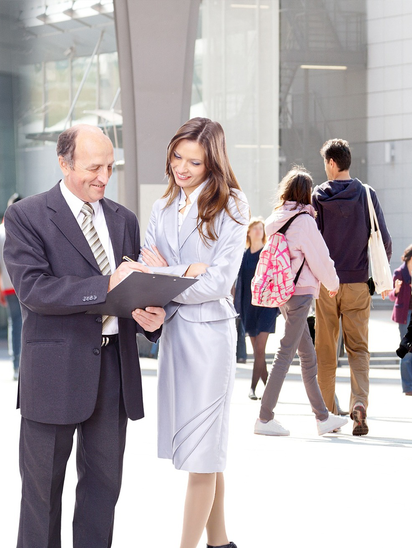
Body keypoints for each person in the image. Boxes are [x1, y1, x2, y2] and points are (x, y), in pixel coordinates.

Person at [2, 125, 166, 547]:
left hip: (114, 372)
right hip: (54, 374)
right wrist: (107, 284)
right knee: (42, 500)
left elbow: (132, 291)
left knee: (102, 495)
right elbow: (35, 290)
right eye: (94, 167)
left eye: (110, 167)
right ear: (63, 162)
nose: (104, 177)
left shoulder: (123, 219)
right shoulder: (27, 216)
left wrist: (151, 318)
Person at [140, 117, 248, 548]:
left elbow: (221, 282)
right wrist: (185, 271)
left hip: (210, 340)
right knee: (205, 448)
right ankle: (220, 542)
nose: (182, 168)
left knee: (202, 454)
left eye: (195, 162)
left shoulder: (233, 205)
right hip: (175, 337)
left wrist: (165, 276)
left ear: (212, 165)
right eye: (177, 156)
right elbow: (145, 274)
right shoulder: (160, 207)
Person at [253, 167, 348, 436]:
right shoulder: (304, 221)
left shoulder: (277, 219)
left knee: (307, 356)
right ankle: (264, 417)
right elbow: (320, 256)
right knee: (285, 353)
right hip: (300, 292)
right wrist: (333, 284)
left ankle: (322, 417)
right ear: (306, 194)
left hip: (284, 293)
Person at [313, 138, 392, 436]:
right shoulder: (367, 195)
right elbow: (384, 240)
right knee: (358, 349)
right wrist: (375, 278)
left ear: (332, 163)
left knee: (325, 350)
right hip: (358, 283)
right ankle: (359, 404)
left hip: (325, 285)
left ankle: (328, 414)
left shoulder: (318, 196)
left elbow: (310, 241)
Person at [235, 217, 280, 400]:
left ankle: (252, 389)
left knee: (260, 349)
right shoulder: (244, 255)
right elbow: (241, 285)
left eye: (260, 228)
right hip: (249, 308)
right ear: (249, 232)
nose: (258, 231)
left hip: (267, 307)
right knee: (257, 352)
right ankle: (270, 389)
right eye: (254, 228)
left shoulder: (267, 253)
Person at [0, 193, 24, 380]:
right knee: (27, 323)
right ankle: (25, 365)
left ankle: (15, 365)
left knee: (14, 323)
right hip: (25, 286)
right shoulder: (24, 228)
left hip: (7, 286)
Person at [391, 244, 412, 396]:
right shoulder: (399, 273)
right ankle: (407, 387)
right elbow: (391, 295)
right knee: (407, 352)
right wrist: (396, 290)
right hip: (404, 316)